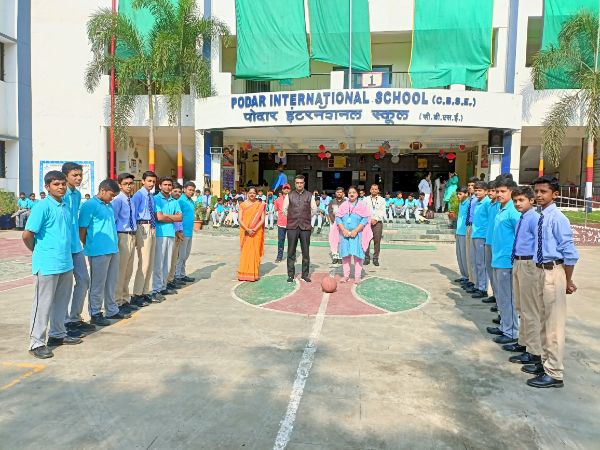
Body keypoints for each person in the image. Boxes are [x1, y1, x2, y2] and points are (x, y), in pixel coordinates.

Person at [524, 176, 579, 389]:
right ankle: (545, 363)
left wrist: (567, 279)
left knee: (554, 324)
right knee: (543, 320)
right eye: (536, 191)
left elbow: (569, 253)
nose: (538, 195)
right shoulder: (541, 216)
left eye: (543, 192)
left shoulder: (557, 218)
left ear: (555, 194)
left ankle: (554, 373)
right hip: (540, 271)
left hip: (553, 271)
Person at [23, 171, 82, 359]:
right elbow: (27, 235)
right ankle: (36, 343)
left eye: (63, 184)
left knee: (61, 302)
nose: (61, 187)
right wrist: (39, 252)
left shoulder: (65, 206)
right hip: (47, 264)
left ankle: (57, 334)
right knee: (43, 304)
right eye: (56, 184)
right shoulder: (42, 206)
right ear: (47, 187)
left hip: (65, 262)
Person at [79, 179, 129, 326]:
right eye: (111, 195)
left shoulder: (108, 206)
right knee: (97, 284)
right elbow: (82, 229)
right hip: (98, 251)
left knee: (111, 282)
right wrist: (89, 244)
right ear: (102, 190)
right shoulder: (89, 205)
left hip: (112, 248)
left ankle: (111, 309)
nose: (112, 198)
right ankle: (95, 312)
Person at [508, 186, 541, 367]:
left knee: (530, 309)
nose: (517, 204)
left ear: (531, 200)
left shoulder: (534, 218)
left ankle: (534, 351)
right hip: (518, 262)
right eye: (515, 201)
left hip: (529, 264)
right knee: (521, 306)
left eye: (521, 200)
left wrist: (535, 265)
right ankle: (523, 342)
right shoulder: (522, 218)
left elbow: (539, 243)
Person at [487, 178, 521, 345]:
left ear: (511, 192)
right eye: (497, 191)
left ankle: (512, 332)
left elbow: (521, 237)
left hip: (507, 261)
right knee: (501, 297)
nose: (499, 194)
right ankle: (504, 325)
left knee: (508, 298)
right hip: (497, 259)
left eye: (503, 191)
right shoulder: (501, 209)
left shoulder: (513, 211)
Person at [62, 162, 93, 337]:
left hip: (76, 246)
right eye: (75, 175)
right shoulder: (61, 195)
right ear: (65, 176)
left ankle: (74, 318)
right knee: (64, 287)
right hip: (64, 247)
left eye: (80, 175)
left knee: (84, 280)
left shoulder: (77, 194)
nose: (79, 178)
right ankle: (63, 322)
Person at [330, 186, 373, 283]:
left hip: (357, 234)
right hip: (344, 234)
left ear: (357, 194)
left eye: (354, 192)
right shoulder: (344, 205)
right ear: (347, 194)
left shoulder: (362, 205)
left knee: (358, 256)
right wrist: (343, 230)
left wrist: (356, 231)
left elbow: (365, 219)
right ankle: (346, 276)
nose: (352, 194)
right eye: (350, 193)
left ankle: (357, 276)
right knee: (345, 256)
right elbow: (338, 218)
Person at [112, 173, 140, 316]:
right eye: (126, 184)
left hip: (132, 235)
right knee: (120, 270)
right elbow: (113, 220)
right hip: (122, 235)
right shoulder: (118, 200)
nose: (129, 186)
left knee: (128, 270)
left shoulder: (130, 200)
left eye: (131, 183)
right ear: (120, 185)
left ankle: (124, 298)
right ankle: (117, 301)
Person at [152, 177, 182, 301]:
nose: (168, 187)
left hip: (171, 233)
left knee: (167, 263)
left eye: (169, 185)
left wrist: (166, 216)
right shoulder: (155, 199)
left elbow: (180, 217)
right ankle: (156, 289)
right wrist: (172, 217)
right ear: (160, 186)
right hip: (160, 234)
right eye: (165, 184)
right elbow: (159, 217)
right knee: (159, 263)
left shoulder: (174, 201)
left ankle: (163, 286)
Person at [131, 171, 158, 307]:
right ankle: (137, 293)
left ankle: (145, 291)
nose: (151, 184)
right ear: (143, 181)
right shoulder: (138, 195)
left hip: (151, 226)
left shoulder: (151, 196)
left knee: (150, 262)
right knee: (144, 262)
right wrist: (136, 231)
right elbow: (133, 213)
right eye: (149, 181)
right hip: (142, 226)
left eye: (153, 181)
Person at [284, 174, 317, 282]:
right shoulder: (289, 195)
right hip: (292, 227)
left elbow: (314, 210)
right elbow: (285, 210)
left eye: (301, 183)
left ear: (304, 183)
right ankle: (290, 275)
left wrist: (305, 217)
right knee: (291, 252)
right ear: (295, 183)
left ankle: (305, 275)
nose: (299, 184)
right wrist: (293, 217)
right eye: (297, 183)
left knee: (305, 252)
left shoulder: (310, 195)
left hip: (305, 227)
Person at [468, 181, 491, 299]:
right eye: (476, 190)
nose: (477, 192)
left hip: (482, 236)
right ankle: (477, 285)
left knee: (482, 263)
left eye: (480, 190)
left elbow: (490, 220)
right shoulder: (477, 202)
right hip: (475, 234)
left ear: (486, 191)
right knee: (475, 261)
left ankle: (483, 288)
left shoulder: (487, 203)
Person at [237, 186, 266, 281]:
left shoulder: (260, 205)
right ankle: (243, 274)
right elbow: (240, 219)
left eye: (254, 193)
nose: (252, 194)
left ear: (256, 194)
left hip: (256, 232)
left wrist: (254, 229)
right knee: (246, 252)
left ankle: (254, 274)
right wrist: (247, 229)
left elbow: (262, 219)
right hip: (245, 232)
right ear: (247, 194)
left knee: (254, 252)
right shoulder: (242, 205)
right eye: (250, 193)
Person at [171, 181, 196, 286]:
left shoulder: (191, 201)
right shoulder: (180, 200)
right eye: (189, 190)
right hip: (182, 232)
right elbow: (177, 216)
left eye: (193, 190)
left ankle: (182, 274)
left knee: (186, 255)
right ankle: (176, 276)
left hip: (189, 232)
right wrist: (178, 231)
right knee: (180, 256)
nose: (191, 192)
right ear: (184, 189)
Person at [483, 180, 501, 307]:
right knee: (490, 271)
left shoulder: (500, 206)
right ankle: (495, 295)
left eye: (493, 191)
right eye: (489, 190)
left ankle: (499, 299)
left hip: (496, 242)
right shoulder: (490, 205)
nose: (491, 193)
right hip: (488, 240)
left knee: (498, 273)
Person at [166, 182, 186, 291]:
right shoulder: (168, 203)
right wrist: (178, 232)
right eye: (175, 191)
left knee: (174, 258)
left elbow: (179, 218)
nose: (177, 193)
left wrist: (180, 231)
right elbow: (172, 218)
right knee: (168, 259)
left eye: (179, 192)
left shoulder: (176, 203)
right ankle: (166, 282)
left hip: (178, 232)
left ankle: (171, 279)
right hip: (171, 233)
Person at [463, 177, 479, 292]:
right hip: (468, 226)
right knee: (469, 254)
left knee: (474, 257)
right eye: (469, 185)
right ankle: (471, 278)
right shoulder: (471, 199)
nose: (470, 187)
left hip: (474, 227)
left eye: (472, 186)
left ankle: (475, 281)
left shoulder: (478, 200)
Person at [364, 183, 385, 266]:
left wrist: (376, 219)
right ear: (370, 190)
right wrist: (369, 219)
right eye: (372, 189)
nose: (374, 190)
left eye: (376, 189)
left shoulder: (382, 200)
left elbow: (382, 211)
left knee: (377, 241)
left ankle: (375, 258)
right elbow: (363, 210)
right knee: (366, 241)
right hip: (367, 222)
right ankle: (366, 257)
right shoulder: (365, 199)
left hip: (377, 222)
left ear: (378, 190)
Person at [453, 187, 470, 284]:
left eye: (460, 194)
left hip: (464, 233)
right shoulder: (461, 204)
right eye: (457, 194)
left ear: (466, 194)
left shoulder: (469, 203)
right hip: (459, 232)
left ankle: (468, 277)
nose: (458, 196)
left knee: (464, 256)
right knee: (459, 255)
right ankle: (463, 275)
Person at [328, 187, 346, 264]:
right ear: (335, 193)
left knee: (341, 239)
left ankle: (340, 256)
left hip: (343, 224)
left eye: (340, 192)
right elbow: (330, 211)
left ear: (343, 193)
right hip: (333, 223)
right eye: (338, 192)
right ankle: (335, 255)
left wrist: (341, 222)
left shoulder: (346, 202)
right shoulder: (332, 201)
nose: (339, 193)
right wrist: (334, 221)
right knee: (333, 239)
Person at [274, 183, 290, 263]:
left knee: (291, 242)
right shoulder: (278, 200)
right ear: (282, 190)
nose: (286, 189)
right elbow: (276, 209)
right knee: (281, 241)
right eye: (285, 188)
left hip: (291, 224)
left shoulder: (293, 199)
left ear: (290, 190)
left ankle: (291, 257)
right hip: (281, 223)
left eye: (288, 188)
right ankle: (279, 257)